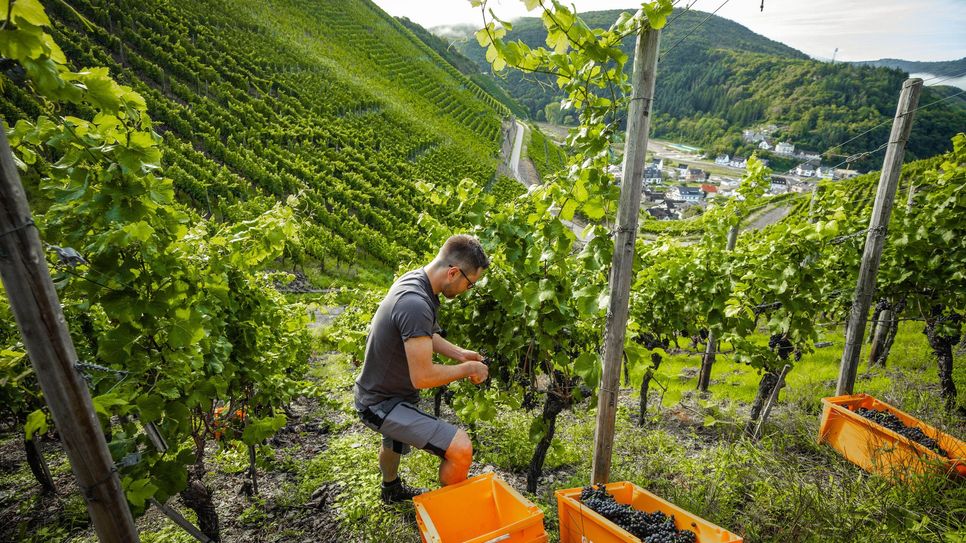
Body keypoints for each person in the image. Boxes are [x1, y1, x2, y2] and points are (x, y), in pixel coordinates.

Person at [354, 234, 490, 504]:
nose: (467, 290)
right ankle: (447, 514)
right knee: (461, 448)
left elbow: (420, 334)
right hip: (380, 403)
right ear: (453, 272)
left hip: (383, 392)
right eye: (470, 284)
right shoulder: (415, 303)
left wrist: (460, 354)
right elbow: (423, 376)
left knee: (393, 440)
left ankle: (390, 489)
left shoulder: (416, 282)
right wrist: (469, 368)